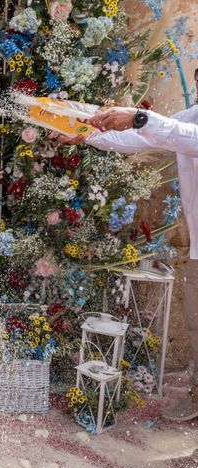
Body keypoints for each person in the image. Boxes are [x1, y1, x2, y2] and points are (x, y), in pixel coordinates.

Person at [53, 104, 198, 423]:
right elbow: (138, 138)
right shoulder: (190, 115)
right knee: (194, 325)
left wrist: (139, 117)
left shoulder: (187, 127)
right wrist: (86, 131)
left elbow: (186, 138)